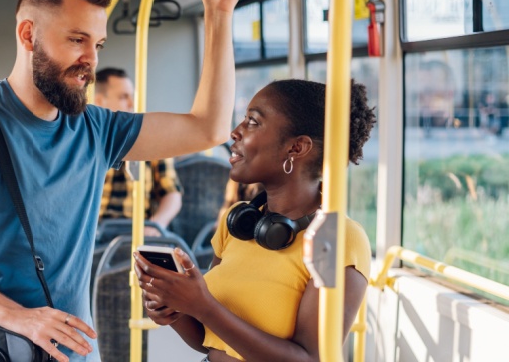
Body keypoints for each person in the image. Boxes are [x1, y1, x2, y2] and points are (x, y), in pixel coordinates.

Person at [0, 0, 248, 361]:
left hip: (73, 352)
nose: (90, 61)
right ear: (28, 34)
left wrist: (219, 14)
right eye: (77, 40)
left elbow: (208, 128)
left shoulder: (95, 128)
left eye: (97, 45)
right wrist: (22, 319)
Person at [134, 79, 377, 361]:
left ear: (296, 148)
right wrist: (173, 310)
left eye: (252, 121)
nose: (235, 132)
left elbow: (309, 359)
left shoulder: (339, 237)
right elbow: (207, 340)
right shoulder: (237, 223)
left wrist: (203, 306)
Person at [94, 68, 183, 236]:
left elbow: (172, 194)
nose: (131, 104)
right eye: (123, 97)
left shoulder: (152, 139)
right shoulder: (88, 139)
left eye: (132, 97)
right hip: (96, 230)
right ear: (99, 101)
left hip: (137, 230)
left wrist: (156, 224)